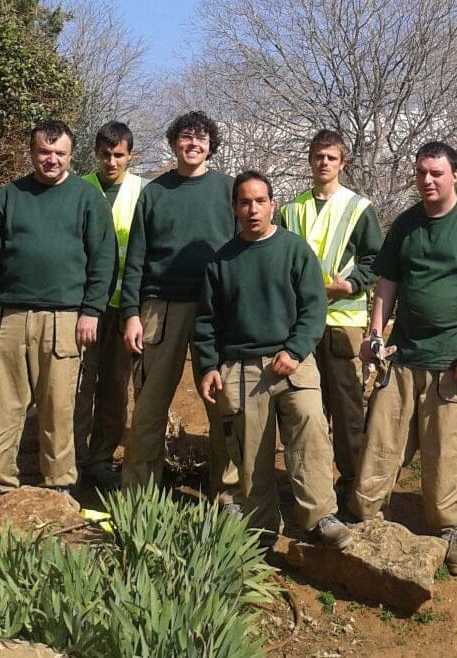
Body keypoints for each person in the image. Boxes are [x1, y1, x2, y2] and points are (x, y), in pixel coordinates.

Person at [350, 142, 457, 575]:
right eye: (421, 172)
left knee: (445, 452)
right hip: (402, 358)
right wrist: (374, 333)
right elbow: (387, 281)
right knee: (382, 442)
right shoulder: (405, 224)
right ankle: (365, 515)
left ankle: (446, 530)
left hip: (451, 364)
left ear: (454, 175)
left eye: (436, 173)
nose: (427, 180)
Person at [194, 170, 351, 549]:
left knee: (311, 426)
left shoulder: (295, 250)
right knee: (250, 453)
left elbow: (314, 308)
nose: (252, 209)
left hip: (293, 361)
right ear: (234, 208)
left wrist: (295, 350)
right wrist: (207, 366)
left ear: (272, 205)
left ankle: (318, 516)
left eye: (260, 201)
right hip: (241, 367)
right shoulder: (221, 261)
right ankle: (262, 530)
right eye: (244, 202)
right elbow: (206, 322)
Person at [0, 118, 115, 497]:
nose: (51, 159)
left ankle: (59, 484)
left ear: (70, 155)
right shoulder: (9, 196)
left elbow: (103, 260)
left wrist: (91, 311)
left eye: (60, 153)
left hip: (65, 318)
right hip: (9, 315)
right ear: (32, 152)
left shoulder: (87, 199)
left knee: (59, 407)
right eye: (44, 152)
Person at [119, 111, 239, 503]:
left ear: (211, 145)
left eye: (201, 138)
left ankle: (228, 492)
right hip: (160, 309)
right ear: (173, 143)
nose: (193, 144)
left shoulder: (229, 190)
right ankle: (139, 495)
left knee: (222, 406)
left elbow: (245, 252)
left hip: (216, 311)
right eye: (186, 137)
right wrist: (131, 314)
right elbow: (135, 257)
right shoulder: (154, 192)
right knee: (149, 407)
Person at [278, 129, 382, 504]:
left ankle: (354, 484)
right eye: (318, 156)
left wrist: (350, 286)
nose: (324, 162)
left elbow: (375, 260)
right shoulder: (290, 209)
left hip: (342, 323)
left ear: (343, 162)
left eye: (331, 157)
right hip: (300, 323)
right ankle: (312, 484)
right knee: (306, 408)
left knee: (347, 407)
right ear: (309, 159)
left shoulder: (358, 207)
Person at [73, 121, 147, 489]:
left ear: (130, 155)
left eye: (119, 155)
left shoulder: (144, 192)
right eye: (105, 154)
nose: (111, 161)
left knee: (115, 386)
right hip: (83, 304)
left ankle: (101, 459)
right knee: (78, 383)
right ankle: (71, 458)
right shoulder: (79, 188)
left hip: (124, 305)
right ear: (95, 153)